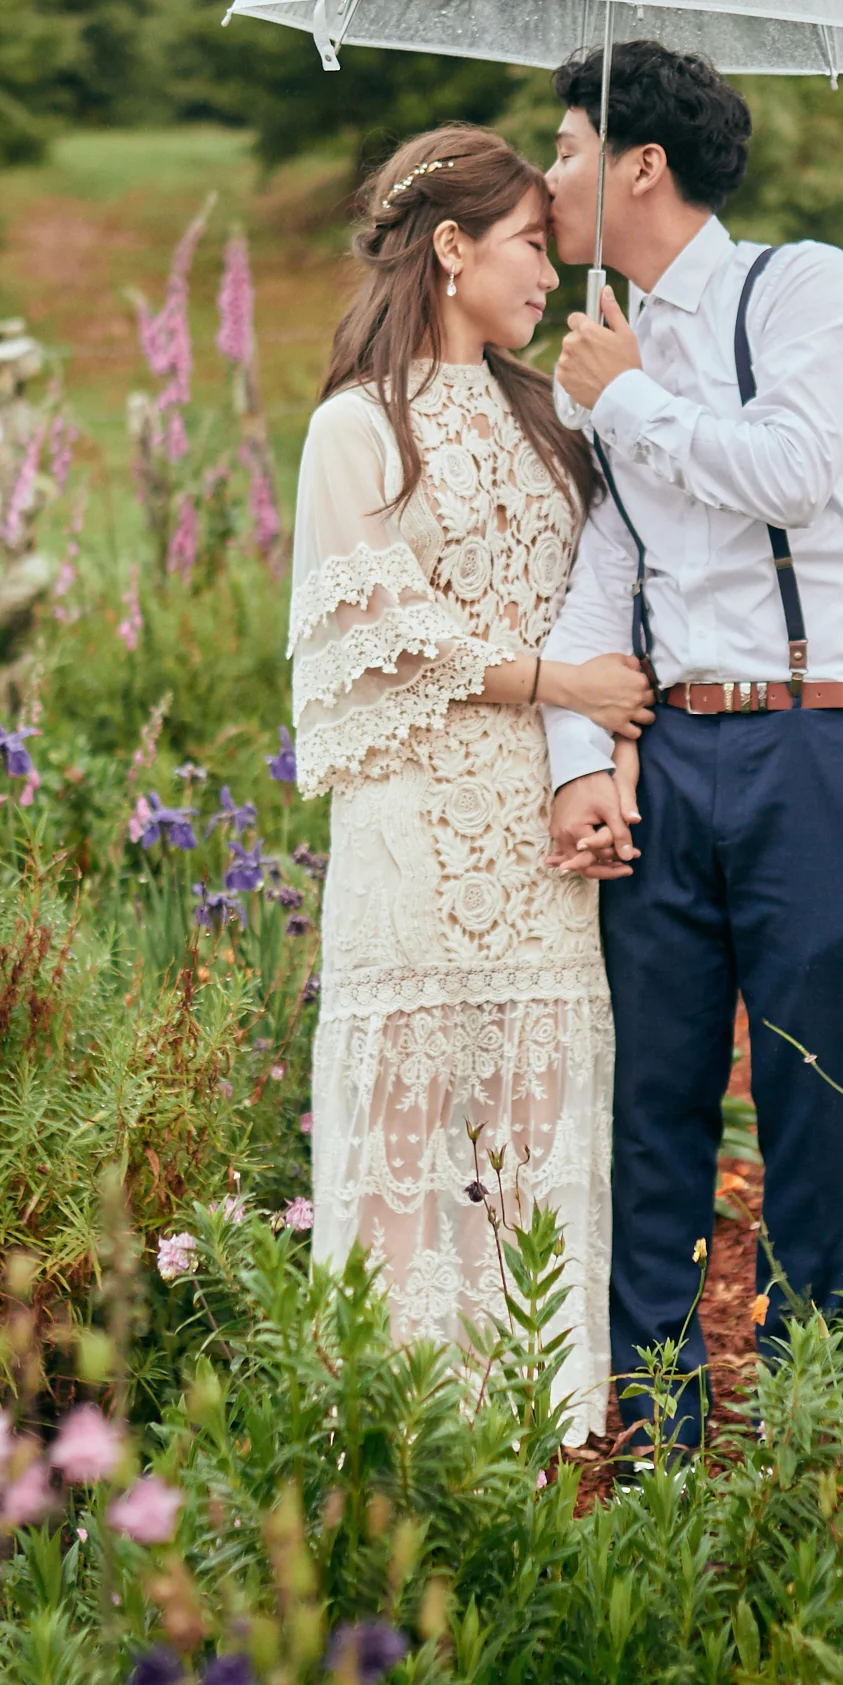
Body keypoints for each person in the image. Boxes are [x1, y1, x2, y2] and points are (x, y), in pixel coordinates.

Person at [540, 41, 843, 1449]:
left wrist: (629, 394)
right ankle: (659, 1431)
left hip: (816, 742)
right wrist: (580, 752)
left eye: (569, 147)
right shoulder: (598, 349)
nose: (552, 174)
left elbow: (793, 469)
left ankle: (810, 1424)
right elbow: (602, 572)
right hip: (669, 755)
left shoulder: (805, 286)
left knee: (813, 1094)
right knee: (657, 1096)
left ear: (642, 163)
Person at [289, 122, 655, 1441]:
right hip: (413, 832)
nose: (551, 278)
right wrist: (560, 687)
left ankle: (531, 1450)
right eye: (529, 249)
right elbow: (388, 635)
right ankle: (396, 1443)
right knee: (406, 1150)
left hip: (537, 843)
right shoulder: (354, 431)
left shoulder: (550, 418)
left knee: (529, 1152)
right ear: (451, 249)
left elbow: (606, 601)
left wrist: (607, 763)